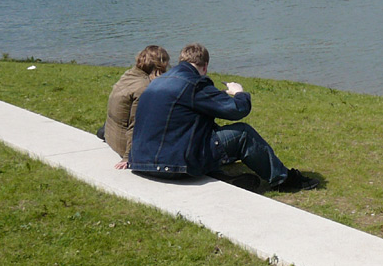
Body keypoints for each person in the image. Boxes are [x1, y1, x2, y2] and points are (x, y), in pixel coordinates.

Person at [129, 43, 318, 191]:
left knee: (209, 131)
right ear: (205, 67)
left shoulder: (158, 82)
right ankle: (283, 179)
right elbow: (237, 110)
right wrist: (239, 93)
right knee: (243, 134)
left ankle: (223, 177)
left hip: (141, 162)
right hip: (172, 166)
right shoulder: (195, 83)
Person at [102, 46, 170, 169]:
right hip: (124, 145)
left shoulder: (129, 74)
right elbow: (136, 125)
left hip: (110, 136)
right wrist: (128, 157)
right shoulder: (143, 88)